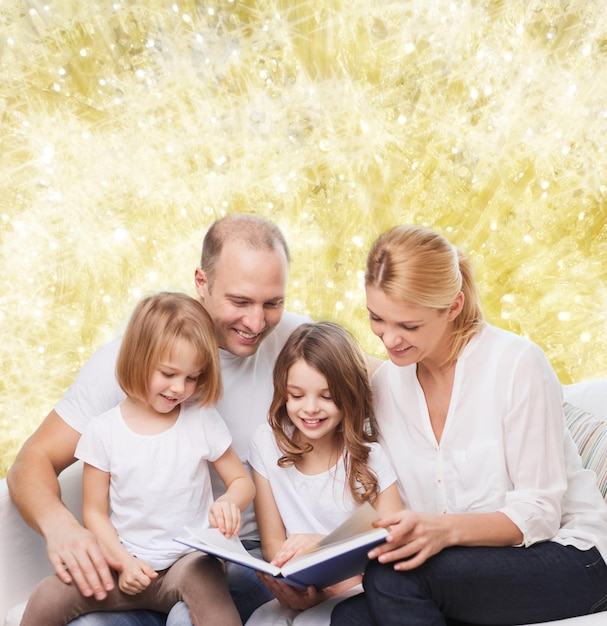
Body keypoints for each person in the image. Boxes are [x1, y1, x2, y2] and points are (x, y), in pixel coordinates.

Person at [7, 214, 317, 625]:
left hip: (235, 555)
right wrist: (63, 527)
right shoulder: (127, 365)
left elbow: (377, 376)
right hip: (133, 560)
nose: (256, 322)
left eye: (273, 303)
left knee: (189, 613)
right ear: (202, 283)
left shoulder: (298, 345)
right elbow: (31, 462)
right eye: (240, 301)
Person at [330, 225, 607, 626]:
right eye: (377, 319)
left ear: (454, 305)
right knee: (350, 619)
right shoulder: (386, 387)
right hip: (469, 567)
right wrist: (321, 561)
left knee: (391, 580)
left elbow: (540, 513)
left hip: (572, 557)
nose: (390, 340)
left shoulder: (516, 365)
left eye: (409, 326)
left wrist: (443, 531)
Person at [20, 292, 255, 626]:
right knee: (49, 596)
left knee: (206, 580)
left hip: (187, 562)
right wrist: (122, 562)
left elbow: (241, 482)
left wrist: (231, 501)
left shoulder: (201, 418)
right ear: (138, 359)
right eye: (169, 373)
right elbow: (95, 514)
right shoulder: (104, 431)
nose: (179, 388)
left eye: (192, 377)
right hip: (125, 564)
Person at [245, 321, 402, 626]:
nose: (310, 409)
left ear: (349, 394)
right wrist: (296, 579)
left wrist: (321, 547)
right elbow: (273, 543)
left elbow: (392, 545)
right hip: (298, 586)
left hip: (358, 591)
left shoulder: (372, 459)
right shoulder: (266, 443)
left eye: (327, 396)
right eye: (297, 395)